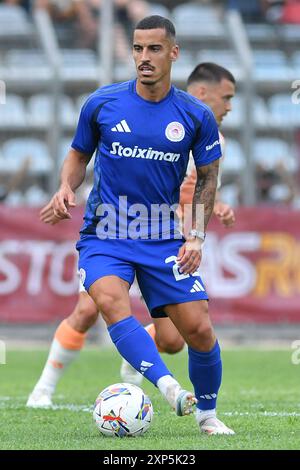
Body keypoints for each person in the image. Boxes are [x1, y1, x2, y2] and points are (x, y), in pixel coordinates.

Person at [28, 15, 234, 435]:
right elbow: (77, 156)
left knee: (196, 330)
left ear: (173, 53)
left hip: (161, 235)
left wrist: (195, 236)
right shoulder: (102, 103)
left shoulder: (195, 115)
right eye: (138, 48)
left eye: (154, 49)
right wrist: (66, 186)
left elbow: (209, 179)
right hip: (106, 232)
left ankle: (207, 415)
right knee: (105, 302)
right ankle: (168, 387)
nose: (144, 57)